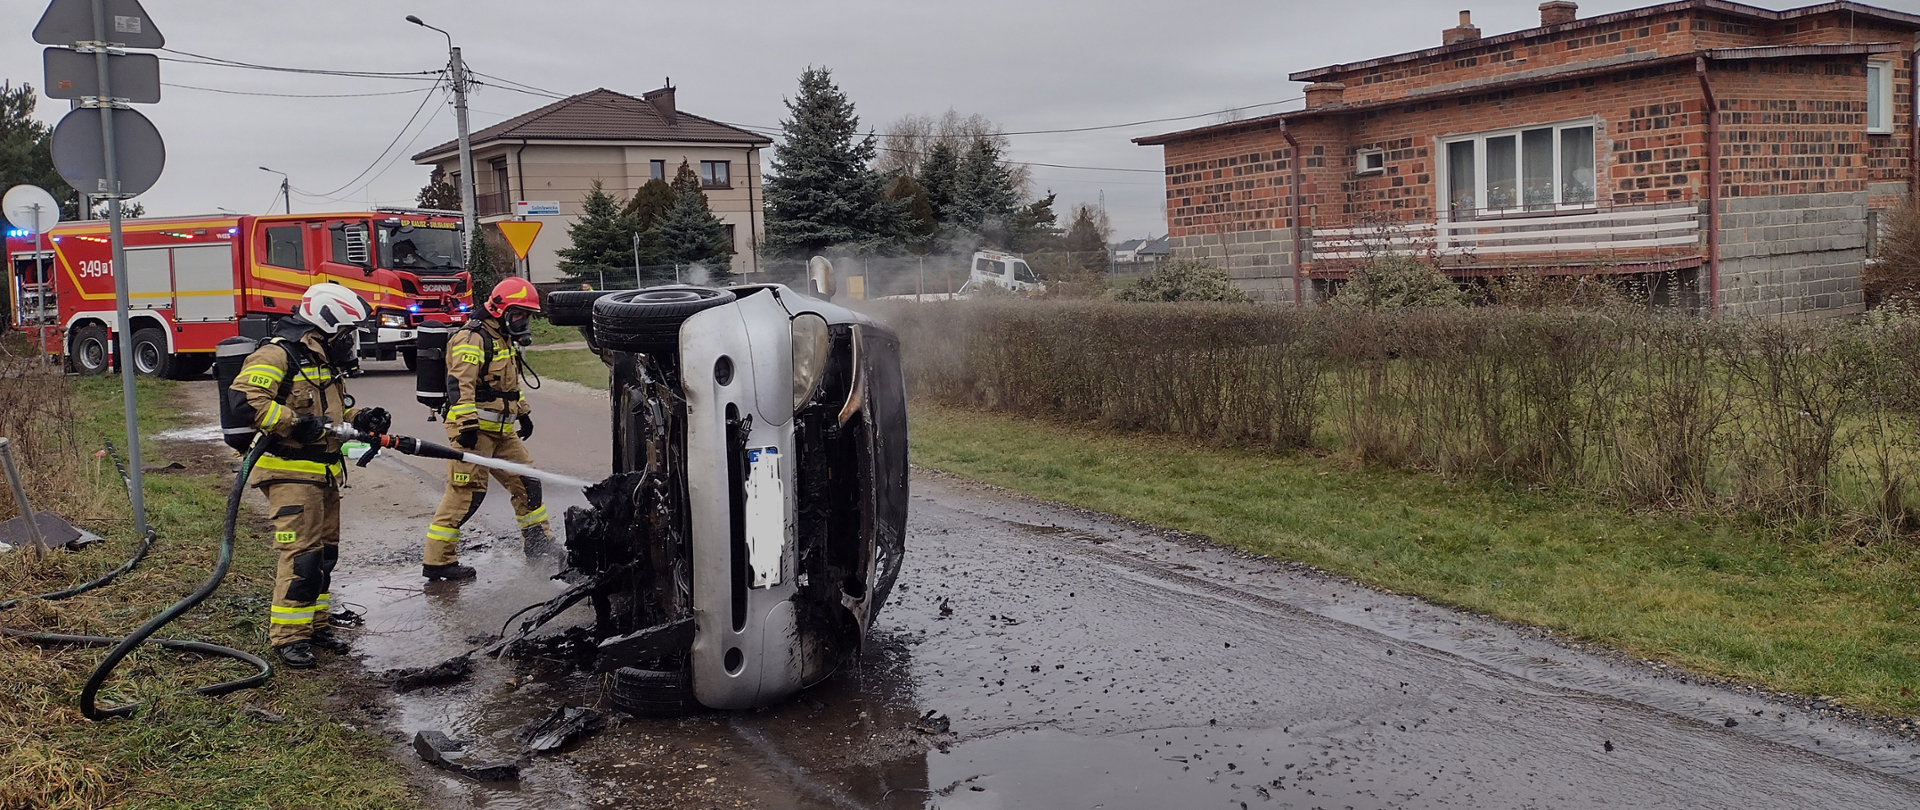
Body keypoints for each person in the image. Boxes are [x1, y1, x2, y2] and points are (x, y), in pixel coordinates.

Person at [229, 282, 391, 670]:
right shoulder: (276, 355)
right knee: (300, 556)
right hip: (288, 473)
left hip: (323, 473)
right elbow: (244, 402)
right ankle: (289, 636)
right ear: (326, 323)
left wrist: (361, 417)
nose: (350, 341)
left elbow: (329, 417)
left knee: (324, 555)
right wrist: (295, 424)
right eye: (347, 332)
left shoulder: (321, 360)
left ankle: (314, 625)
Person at [421, 277, 552, 580]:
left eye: (526, 315)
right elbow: (459, 384)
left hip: (502, 433)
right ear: (500, 309)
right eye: (519, 314)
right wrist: (466, 425)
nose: (523, 321)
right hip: (474, 433)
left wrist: (523, 412)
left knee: (528, 483)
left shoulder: (501, 337)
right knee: (466, 495)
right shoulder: (472, 338)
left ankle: (538, 546)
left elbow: (507, 385)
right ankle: (438, 560)